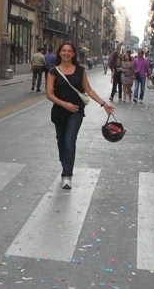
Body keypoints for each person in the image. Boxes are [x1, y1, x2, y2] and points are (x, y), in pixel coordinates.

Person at [46, 42, 114, 189]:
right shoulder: (52, 72)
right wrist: (64, 104)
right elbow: (49, 94)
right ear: (59, 53)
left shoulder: (80, 71)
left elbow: (88, 90)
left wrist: (103, 104)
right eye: (63, 50)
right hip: (59, 111)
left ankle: (67, 175)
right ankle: (65, 162)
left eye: (69, 51)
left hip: (76, 110)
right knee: (61, 142)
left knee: (69, 141)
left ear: (73, 54)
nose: (66, 53)